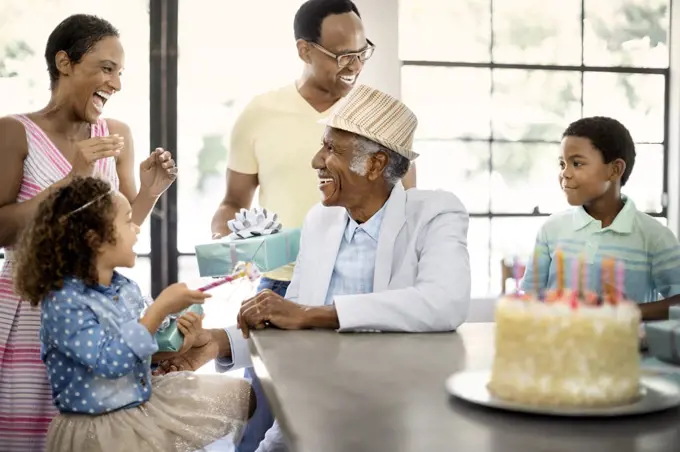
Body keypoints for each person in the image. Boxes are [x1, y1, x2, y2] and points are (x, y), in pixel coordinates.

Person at [159, 84, 472, 451]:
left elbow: (444, 302)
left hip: (397, 422)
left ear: (375, 164)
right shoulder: (321, 221)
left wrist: (314, 314)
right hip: (311, 415)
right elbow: (291, 321)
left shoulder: (435, 212)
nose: (316, 160)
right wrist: (216, 343)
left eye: (331, 149)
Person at [209, 1, 412, 450]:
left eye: (362, 52)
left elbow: (406, 206)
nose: (355, 66)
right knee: (262, 420)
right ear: (304, 50)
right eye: (341, 55)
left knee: (360, 422)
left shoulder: (379, 120)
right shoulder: (260, 114)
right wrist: (234, 243)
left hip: (364, 292)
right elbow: (230, 204)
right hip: (281, 289)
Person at [0, 14, 177, 450]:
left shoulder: (116, 135)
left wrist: (151, 192)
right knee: (29, 436)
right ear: (64, 62)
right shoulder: (13, 132)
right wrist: (71, 179)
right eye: (106, 68)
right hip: (26, 308)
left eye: (119, 73)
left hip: (100, 316)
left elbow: (119, 233)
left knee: (94, 430)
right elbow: (2, 231)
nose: (115, 83)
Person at [12, 176, 255, 452]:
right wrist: (159, 308)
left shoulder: (125, 288)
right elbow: (108, 361)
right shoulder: (64, 303)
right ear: (94, 240)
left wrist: (180, 341)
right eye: (127, 221)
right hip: (97, 430)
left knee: (243, 397)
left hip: (137, 407)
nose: (136, 228)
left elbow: (140, 347)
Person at [520, 116, 680, 320]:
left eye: (577, 163)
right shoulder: (551, 229)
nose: (565, 174)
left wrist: (630, 312)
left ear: (615, 170)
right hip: (558, 347)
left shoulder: (654, 236)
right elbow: (530, 297)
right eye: (562, 164)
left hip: (624, 349)